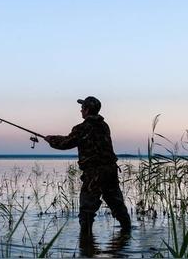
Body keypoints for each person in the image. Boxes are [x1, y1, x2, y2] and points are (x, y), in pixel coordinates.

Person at [44, 96, 131, 235]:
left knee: (87, 208)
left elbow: (66, 143)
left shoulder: (82, 128)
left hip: (94, 173)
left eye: (82, 107)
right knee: (116, 203)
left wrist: (50, 139)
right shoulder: (104, 126)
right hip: (110, 170)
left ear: (87, 109)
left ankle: (86, 241)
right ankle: (127, 232)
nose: (80, 110)